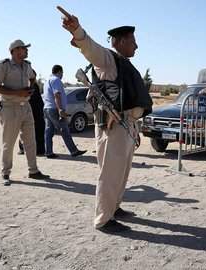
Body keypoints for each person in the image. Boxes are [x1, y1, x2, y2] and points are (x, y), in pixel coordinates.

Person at [58, 6, 153, 233]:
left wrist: (136, 127)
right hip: (113, 126)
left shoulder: (123, 62)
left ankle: (114, 208)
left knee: (121, 172)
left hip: (126, 125)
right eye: (133, 41)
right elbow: (90, 49)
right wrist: (77, 31)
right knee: (110, 174)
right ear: (121, 42)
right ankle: (103, 219)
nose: (136, 46)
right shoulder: (108, 59)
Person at [0, 39, 50, 186]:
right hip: (10, 107)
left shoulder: (27, 65)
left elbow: (32, 77)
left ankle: (33, 170)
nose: (27, 50)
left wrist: (30, 88)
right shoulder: (3, 66)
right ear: (15, 50)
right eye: (24, 48)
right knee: (9, 143)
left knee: (31, 141)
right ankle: (5, 173)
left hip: (26, 107)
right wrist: (18, 92)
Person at [42, 64, 87, 159]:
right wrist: (61, 109)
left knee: (48, 131)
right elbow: (57, 95)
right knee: (64, 130)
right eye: (62, 72)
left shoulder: (47, 81)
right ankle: (74, 151)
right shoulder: (56, 80)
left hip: (47, 108)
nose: (62, 74)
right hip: (54, 109)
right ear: (59, 71)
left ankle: (48, 152)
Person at [18, 69, 45, 156]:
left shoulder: (32, 86)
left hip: (34, 112)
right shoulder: (28, 87)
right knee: (28, 131)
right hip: (31, 112)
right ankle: (30, 149)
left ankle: (34, 149)